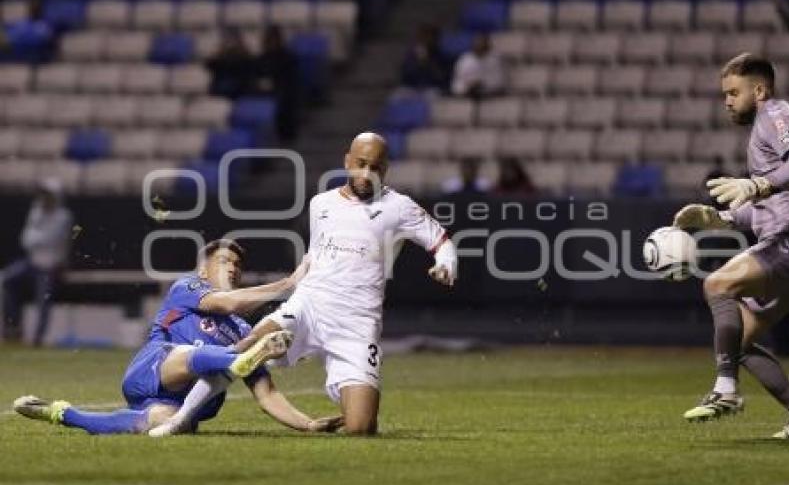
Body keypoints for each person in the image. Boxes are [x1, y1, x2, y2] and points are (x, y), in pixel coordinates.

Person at [148, 133, 458, 437]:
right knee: (242, 349)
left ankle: (343, 387)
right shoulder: (321, 203)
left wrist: (446, 264)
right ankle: (181, 419)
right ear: (347, 162)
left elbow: (441, 241)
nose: (366, 173)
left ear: (385, 168)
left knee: (360, 428)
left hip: (357, 321)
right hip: (310, 303)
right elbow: (318, 253)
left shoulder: (400, 207)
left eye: (375, 167)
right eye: (361, 164)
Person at [13, 239, 343, 436]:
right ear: (203, 271)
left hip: (181, 403)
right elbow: (227, 302)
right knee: (194, 352)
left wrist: (308, 424)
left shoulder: (243, 328)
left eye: (237, 265)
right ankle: (236, 359)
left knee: (159, 424)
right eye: (224, 261)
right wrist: (288, 284)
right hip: (154, 370)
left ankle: (62, 413)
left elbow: (266, 394)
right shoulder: (188, 287)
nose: (233, 268)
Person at [672, 53, 789, 438]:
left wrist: (758, 184)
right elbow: (770, 207)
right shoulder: (764, 129)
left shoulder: (776, 116)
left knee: (716, 284)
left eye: (733, 92)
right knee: (736, 341)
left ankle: (726, 390)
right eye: (724, 94)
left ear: (759, 91)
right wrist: (720, 219)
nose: (727, 101)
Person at [2, 178, 72, 346]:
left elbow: (51, 238)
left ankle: (37, 339)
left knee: (43, 298)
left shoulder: (63, 216)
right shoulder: (36, 211)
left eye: (48, 195)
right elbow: (25, 240)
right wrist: (38, 237)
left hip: (50, 267)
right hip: (32, 263)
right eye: (43, 195)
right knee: (6, 280)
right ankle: (13, 329)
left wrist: (37, 237)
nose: (45, 199)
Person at [255, 26, 299, 141]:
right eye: (269, 40)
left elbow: (291, 80)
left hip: (283, 91)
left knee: (284, 99)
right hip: (263, 91)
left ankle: (283, 133)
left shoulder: (288, 58)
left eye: (274, 39)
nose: (271, 43)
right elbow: (256, 76)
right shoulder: (261, 58)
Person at [398, 24, 450, 99]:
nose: (426, 40)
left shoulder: (441, 56)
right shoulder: (412, 55)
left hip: (431, 89)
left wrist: (428, 62)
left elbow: (442, 78)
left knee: (432, 95)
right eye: (423, 36)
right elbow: (405, 76)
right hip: (412, 88)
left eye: (429, 36)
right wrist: (417, 62)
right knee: (397, 97)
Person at [206, 28, 256, 99]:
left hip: (242, 91)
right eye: (229, 40)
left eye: (234, 40)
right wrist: (220, 52)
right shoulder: (219, 59)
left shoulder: (247, 58)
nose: (232, 43)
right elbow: (210, 65)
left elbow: (250, 69)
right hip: (221, 92)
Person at [451, 34, 504, 99]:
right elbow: (456, 84)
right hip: (466, 96)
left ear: (487, 45)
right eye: (477, 44)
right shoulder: (464, 60)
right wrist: (468, 86)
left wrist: (482, 84)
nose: (479, 46)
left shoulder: (495, 60)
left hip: (491, 97)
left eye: (482, 44)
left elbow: (499, 82)